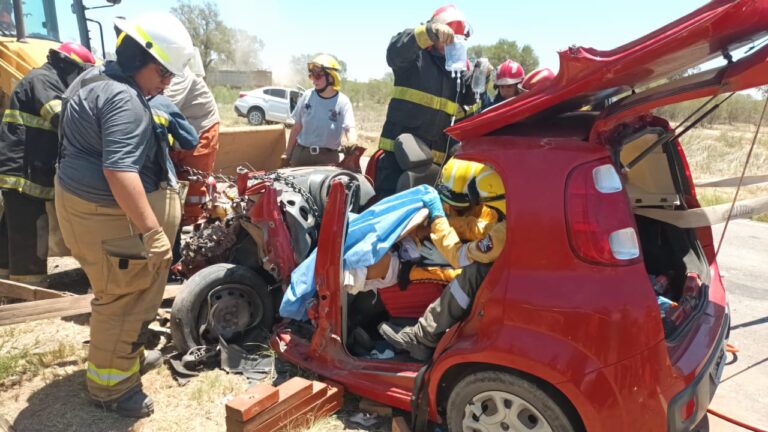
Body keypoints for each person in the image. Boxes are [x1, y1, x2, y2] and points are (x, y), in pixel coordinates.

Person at [55, 11, 193, 418]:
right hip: (109, 218)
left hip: (87, 210)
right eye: (162, 72)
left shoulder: (94, 77)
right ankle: (111, 389)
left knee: (121, 295)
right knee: (124, 300)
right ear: (139, 60)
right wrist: (153, 233)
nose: (167, 83)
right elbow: (118, 169)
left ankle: (123, 364)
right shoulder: (124, 100)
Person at [378, 159, 506, 361]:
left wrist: (438, 221)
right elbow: (479, 228)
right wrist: (446, 224)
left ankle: (422, 338)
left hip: (506, 277)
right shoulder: (513, 212)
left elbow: (460, 256)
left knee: (472, 273)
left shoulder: (501, 234)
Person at [0, 42, 95, 285]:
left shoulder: (44, 78)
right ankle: (29, 290)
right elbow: (62, 118)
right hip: (24, 173)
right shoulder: (44, 80)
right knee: (31, 231)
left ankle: (8, 287)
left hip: (25, 169)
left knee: (12, 230)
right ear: (69, 65)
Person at [375, 4, 477, 198]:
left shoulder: (454, 69)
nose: (452, 43)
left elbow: (468, 97)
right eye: (449, 37)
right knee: (387, 213)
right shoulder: (415, 57)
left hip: (434, 165)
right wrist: (426, 33)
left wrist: (480, 75)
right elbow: (395, 51)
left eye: (457, 39)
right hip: (397, 159)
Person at [164, 53, 220, 226]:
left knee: (194, 188)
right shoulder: (160, 71)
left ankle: (193, 224)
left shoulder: (177, 75)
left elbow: (160, 104)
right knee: (175, 181)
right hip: (179, 132)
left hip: (201, 128)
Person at [283, 54, 357, 167]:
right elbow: (297, 128)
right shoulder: (307, 96)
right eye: (312, 76)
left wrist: (351, 142)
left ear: (331, 77)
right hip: (301, 156)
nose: (313, 80)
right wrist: (287, 154)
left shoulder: (343, 101)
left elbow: (349, 129)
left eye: (318, 76)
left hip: (327, 159)